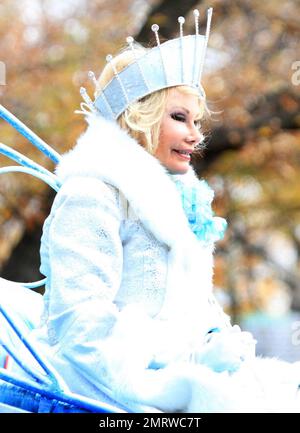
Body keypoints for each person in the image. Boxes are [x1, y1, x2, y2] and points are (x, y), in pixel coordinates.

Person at [2, 8, 300, 413]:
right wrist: (189, 361)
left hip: (170, 370)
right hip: (99, 384)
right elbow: (82, 330)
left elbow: (192, 304)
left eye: (196, 120)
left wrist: (216, 339)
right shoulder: (92, 195)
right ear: (137, 118)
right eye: (179, 118)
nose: (196, 135)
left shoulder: (177, 202)